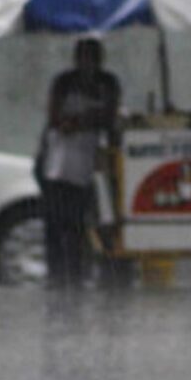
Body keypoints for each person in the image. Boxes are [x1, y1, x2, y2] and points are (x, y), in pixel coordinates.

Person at [41, 38, 120, 289]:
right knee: (57, 219)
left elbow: (108, 116)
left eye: (91, 58)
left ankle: (80, 269)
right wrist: (79, 120)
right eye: (82, 58)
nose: (86, 64)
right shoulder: (64, 82)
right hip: (59, 161)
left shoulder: (107, 83)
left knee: (83, 219)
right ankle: (57, 272)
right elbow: (55, 118)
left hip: (92, 160)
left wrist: (79, 121)